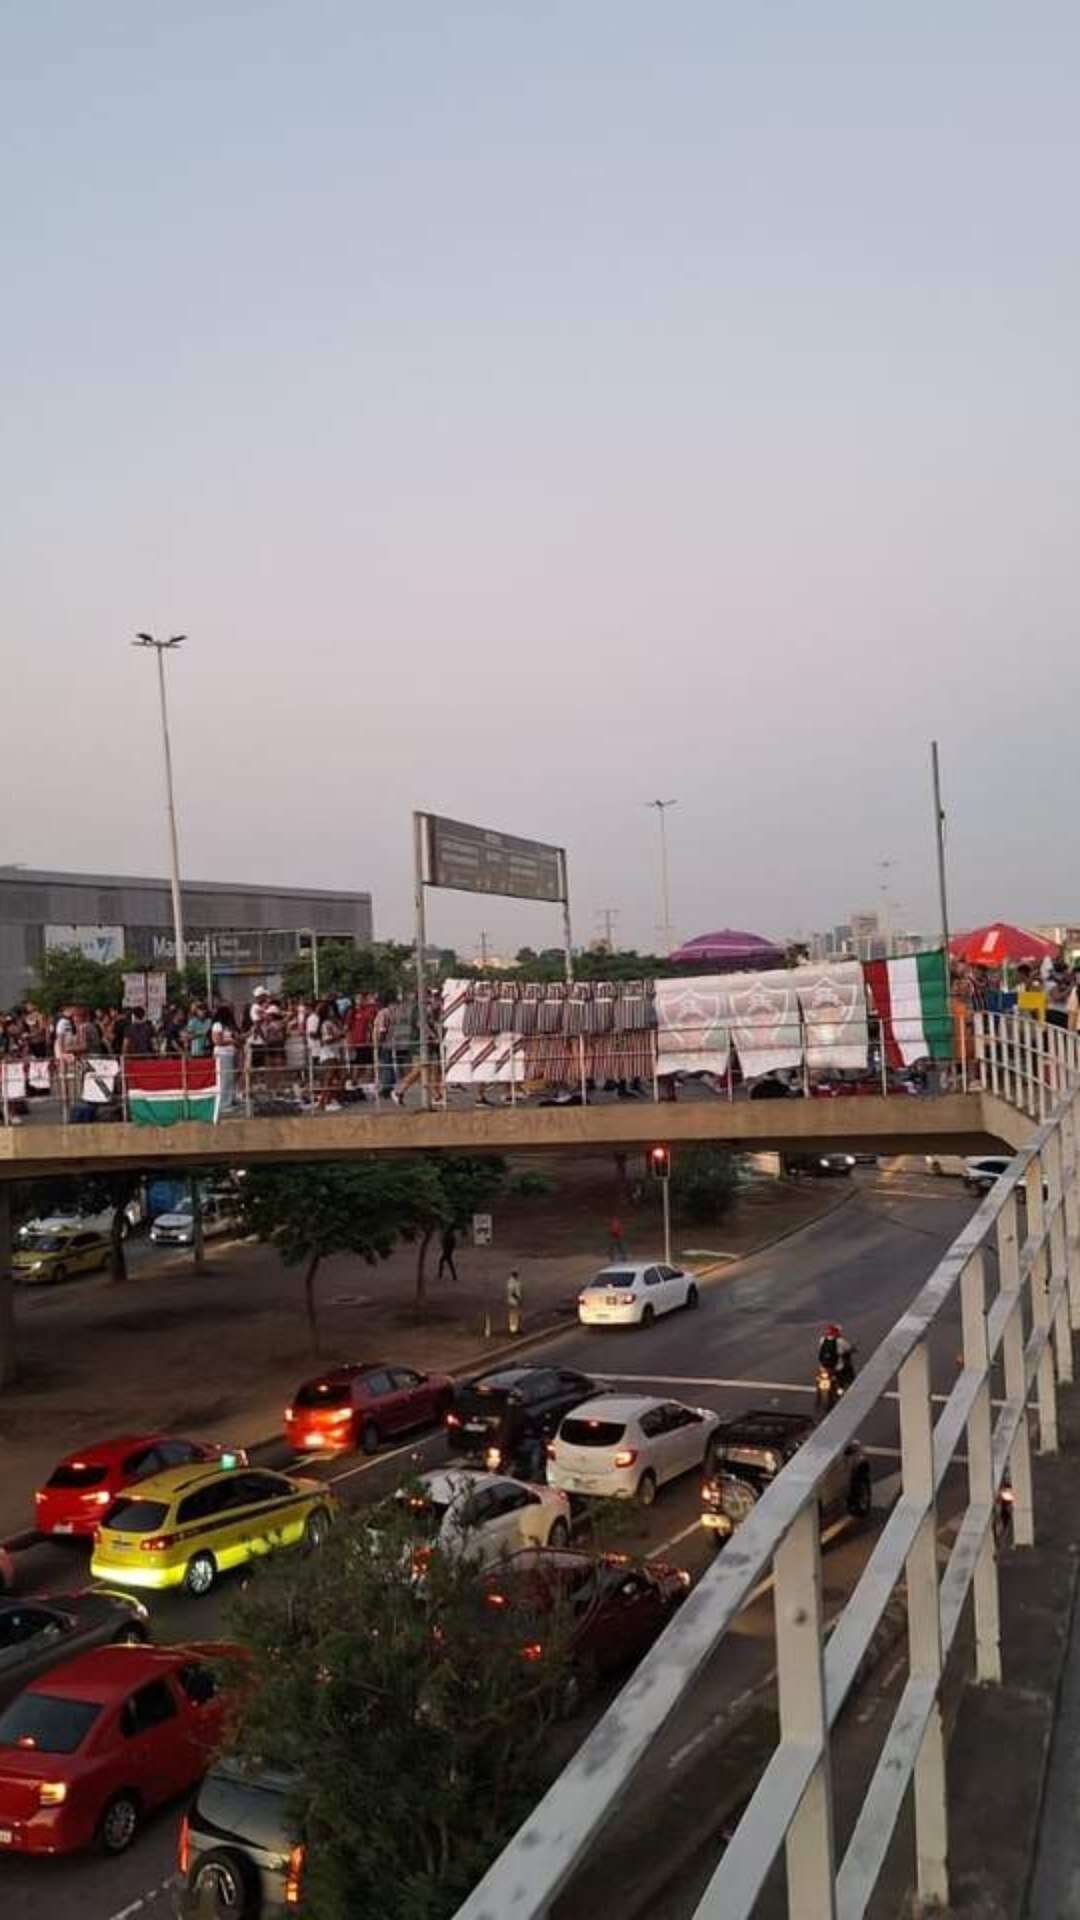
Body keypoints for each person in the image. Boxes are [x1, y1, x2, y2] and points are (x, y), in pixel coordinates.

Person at [507, 1268, 523, 1336]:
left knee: (518, 1315)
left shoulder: (517, 1281)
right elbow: (512, 1292)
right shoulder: (511, 1282)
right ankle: (513, 1330)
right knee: (513, 1316)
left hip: (516, 1301)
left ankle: (517, 1328)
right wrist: (518, 1299)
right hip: (513, 1301)